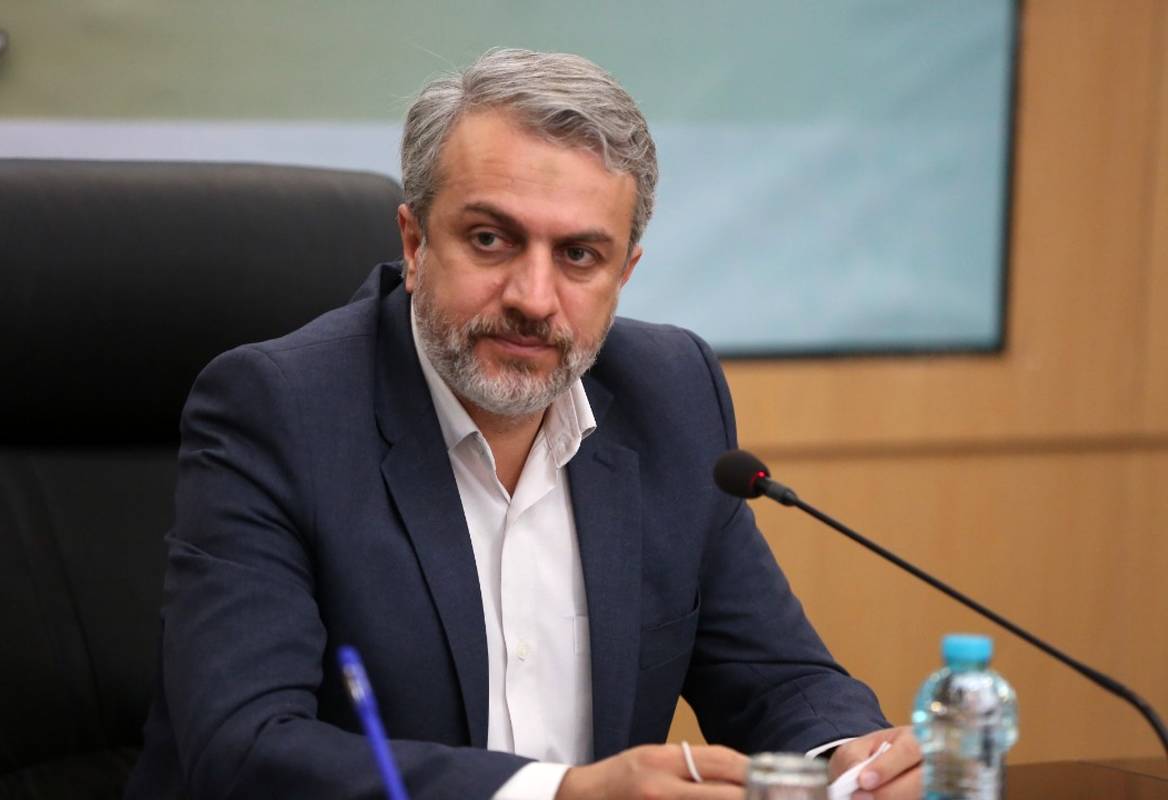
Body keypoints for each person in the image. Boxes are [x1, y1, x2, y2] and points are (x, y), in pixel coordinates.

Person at [126, 48, 921, 800]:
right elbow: (245, 748)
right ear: (414, 243)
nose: (533, 299)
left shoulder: (672, 395)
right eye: (490, 240)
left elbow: (776, 679)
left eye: (579, 256)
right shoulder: (280, 411)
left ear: (624, 274)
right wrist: (560, 792)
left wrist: (849, 756)